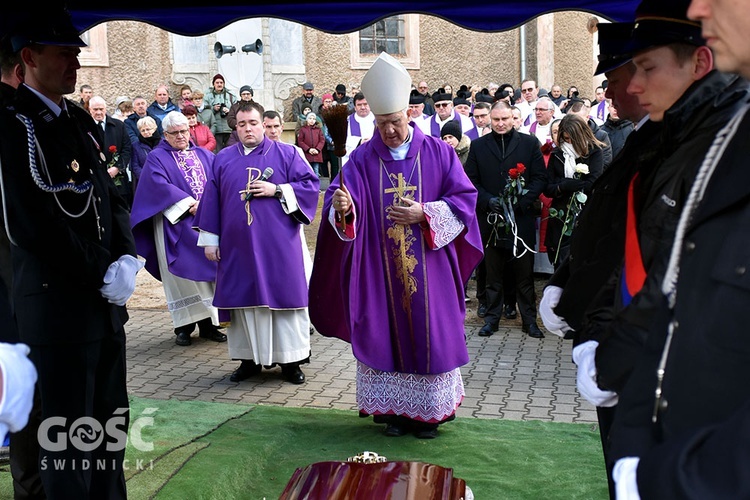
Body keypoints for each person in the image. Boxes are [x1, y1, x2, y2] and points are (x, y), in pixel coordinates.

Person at [594, 0, 750, 496]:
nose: (700, 6)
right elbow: (673, 301)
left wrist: (673, 478)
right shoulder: (728, 130)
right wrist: (638, 446)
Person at [0, 8, 144, 498]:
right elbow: (33, 224)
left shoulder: (79, 120)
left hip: (104, 309)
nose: (74, 64)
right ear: (28, 57)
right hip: (58, 313)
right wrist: (104, 268)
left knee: (110, 436)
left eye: (76, 54)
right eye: (62, 54)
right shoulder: (16, 128)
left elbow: (111, 196)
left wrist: (127, 257)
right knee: (68, 448)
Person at [308, 52, 483, 439]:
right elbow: (343, 196)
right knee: (382, 329)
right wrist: (343, 206)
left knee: (430, 331)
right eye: (383, 124)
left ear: (410, 115)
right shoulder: (362, 158)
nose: (389, 131)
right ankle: (393, 413)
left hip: (430, 265)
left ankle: (429, 415)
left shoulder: (439, 152)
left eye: (396, 122)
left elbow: (464, 201)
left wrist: (425, 214)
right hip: (379, 264)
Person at [194, 100, 319, 385]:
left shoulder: (287, 154)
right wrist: (211, 240)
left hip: (277, 246)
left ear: (263, 124)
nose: (248, 128)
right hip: (237, 248)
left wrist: (277, 189)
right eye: (241, 124)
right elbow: (211, 200)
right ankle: (248, 360)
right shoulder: (223, 159)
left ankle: (291, 362)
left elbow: (310, 186)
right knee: (243, 302)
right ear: (235, 128)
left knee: (283, 299)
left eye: (253, 123)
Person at [130, 111, 226, 347]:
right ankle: (183, 327)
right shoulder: (157, 157)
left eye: (185, 131)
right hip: (174, 225)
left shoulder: (204, 154)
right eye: (175, 133)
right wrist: (189, 204)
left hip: (205, 224)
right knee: (179, 279)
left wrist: (208, 207)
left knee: (207, 277)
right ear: (166, 135)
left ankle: (209, 325)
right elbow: (156, 186)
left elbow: (219, 181)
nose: (182, 136)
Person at [464, 100, 547, 339]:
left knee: (524, 275)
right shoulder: (479, 146)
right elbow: (470, 181)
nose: (500, 124)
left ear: (514, 119)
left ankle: (529, 321)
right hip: (491, 219)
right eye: (496, 119)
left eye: (504, 119)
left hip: (521, 218)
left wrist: (522, 201)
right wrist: (489, 200)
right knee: (492, 274)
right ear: (490, 119)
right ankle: (491, 319)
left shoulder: (530, 143)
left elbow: (539, 178)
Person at [543, 113, 605, 268]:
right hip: (560, 213)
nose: (569, 142)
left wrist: (565, 183)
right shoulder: (557, 154)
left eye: (572, 139)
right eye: (566, 138)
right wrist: (563, 186)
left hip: (585, 213)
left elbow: (593, 183)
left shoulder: (593, 151)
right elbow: (548, 188)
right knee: (559, 260)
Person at [89, 95, 134, 207]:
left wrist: (117, 168)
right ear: (90, 110)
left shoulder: (119, 125)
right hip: (97, 180)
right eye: (95, 109)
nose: (98, 112)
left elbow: (126, 149)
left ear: (106, 109)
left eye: (101, 109)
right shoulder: (85, 127)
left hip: (118, 178)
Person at [204, 73, 237, 152]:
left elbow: (236, 110)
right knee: (217, 152)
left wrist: (229, 111)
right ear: (213, 84)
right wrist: (213, 109)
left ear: (224, 84)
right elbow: (204, 112)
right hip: (215, 130)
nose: (219, 84)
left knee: (230, 152)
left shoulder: (231, 96)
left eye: (221, 83)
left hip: (228, 129)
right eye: (217, 83)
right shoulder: (207, 96)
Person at [342, 92, 375, 166]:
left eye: (365, 104)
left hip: (375, 161)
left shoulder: (379, 121)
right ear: (355, 107)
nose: (363, 107)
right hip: (354, 163)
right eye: (359, 105)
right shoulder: (347, 122)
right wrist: (360, 142)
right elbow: (343, 144)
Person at [129, 115, 161, 191]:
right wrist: (146, 177)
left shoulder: (163, 143)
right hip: (145, 182)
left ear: (154, 128)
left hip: (163, 179)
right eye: (143, 130)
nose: (146, 132)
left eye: (148, 129)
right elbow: (135, 165)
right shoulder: (135, 146)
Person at [297, 111, 325, 177]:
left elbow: (322, 140)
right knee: (308, 171)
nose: (312, 120)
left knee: (316, 171)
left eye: (314, 119)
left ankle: (316, 186)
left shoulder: (318, 130)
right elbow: (300, 141)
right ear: (307, 119)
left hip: (316, 154)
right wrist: (308, 149)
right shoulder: (303, 129)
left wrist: (317, 149)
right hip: (307, 154)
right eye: (310, 118)